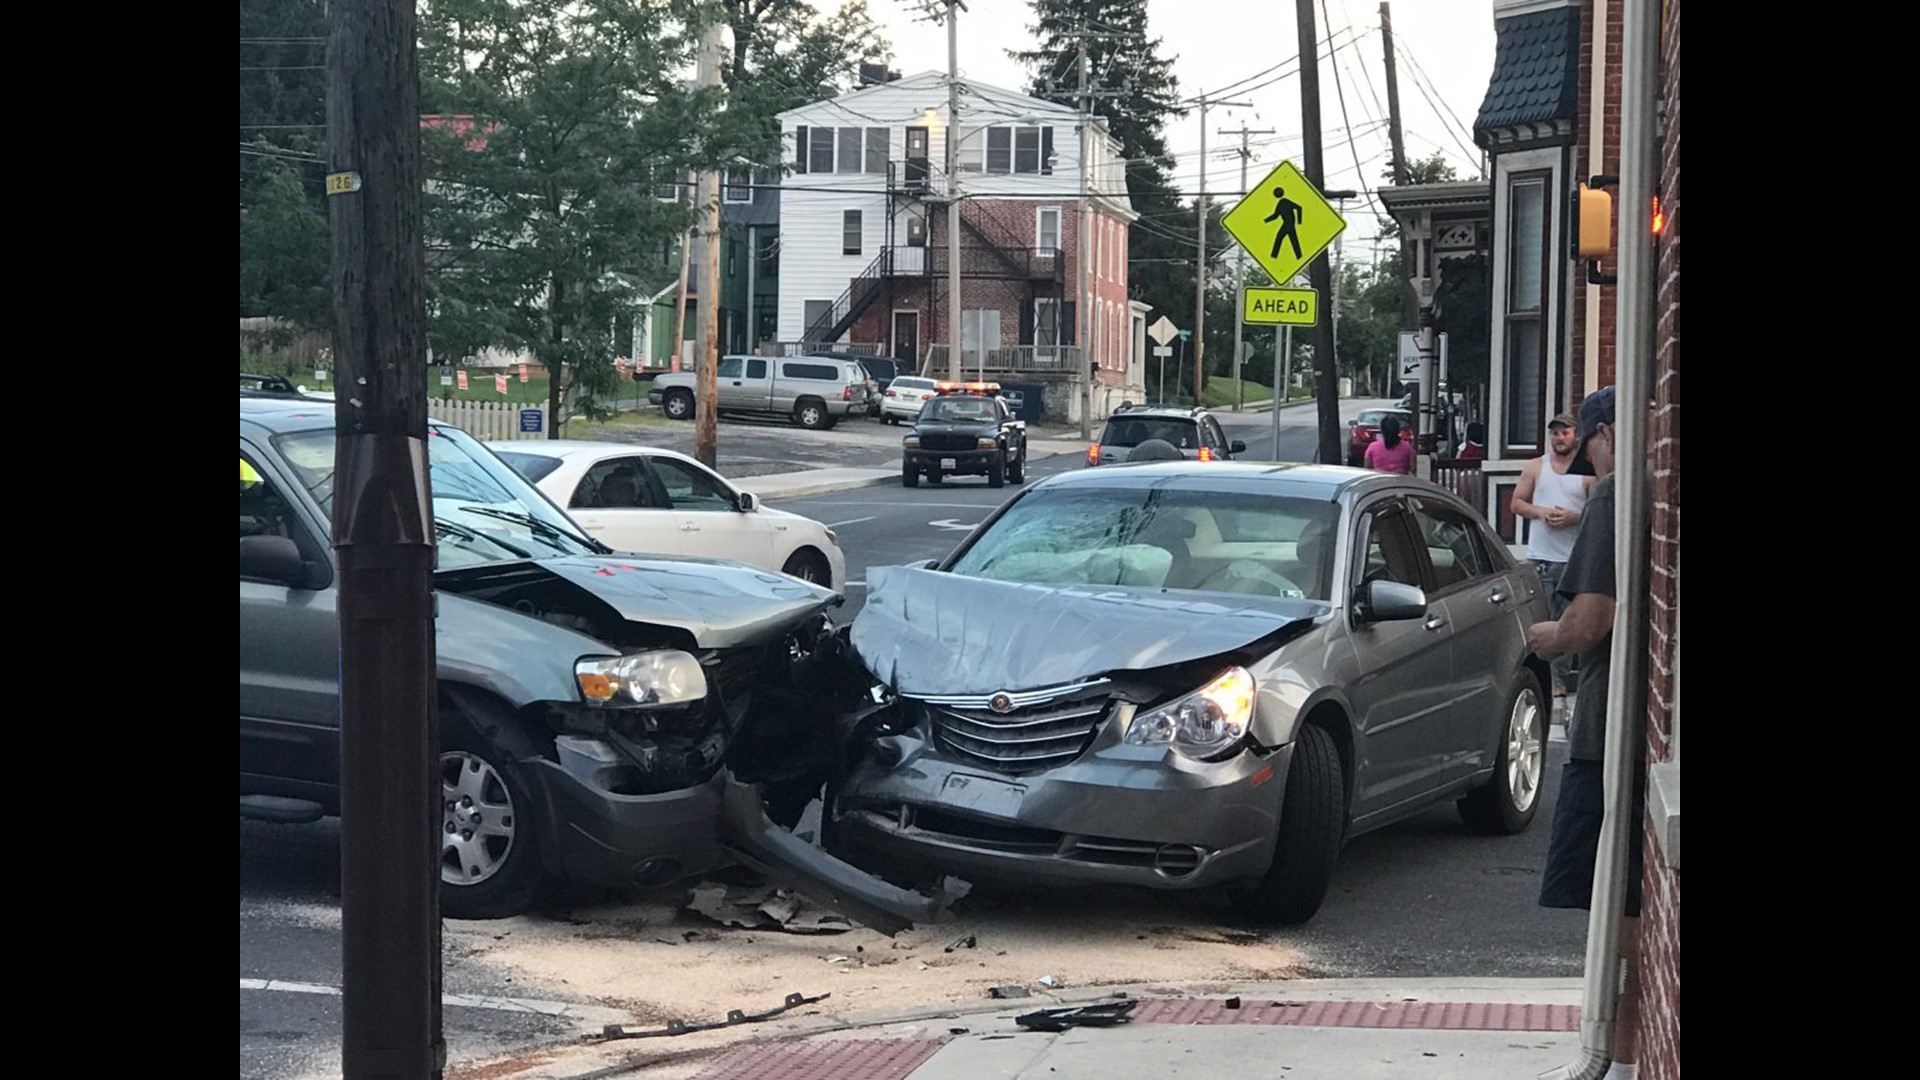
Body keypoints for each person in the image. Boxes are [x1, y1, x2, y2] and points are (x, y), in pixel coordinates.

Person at [1524, 386, 1644, 1080]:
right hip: (1642, 728)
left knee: (1618, 905)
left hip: (1610, 733)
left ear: (1603, 434)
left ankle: (1616, 1062)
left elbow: (1591, 619)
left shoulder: (1614, 496)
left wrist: (1550, 637)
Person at [1511, 412, 1595, 697]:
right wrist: (1541, 512)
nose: (1559, 438)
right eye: (1555, 433)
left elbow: (1598, 511)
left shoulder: (1587, 472)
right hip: (1541, 559)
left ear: (1576, 436)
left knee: (1568, 621)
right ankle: (1545, 680)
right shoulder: (1536, 467)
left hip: (1573, 560)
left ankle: (1561, 679)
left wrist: (1573, 518)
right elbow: (1517, 503)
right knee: (1541, 617)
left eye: (1565, 433)